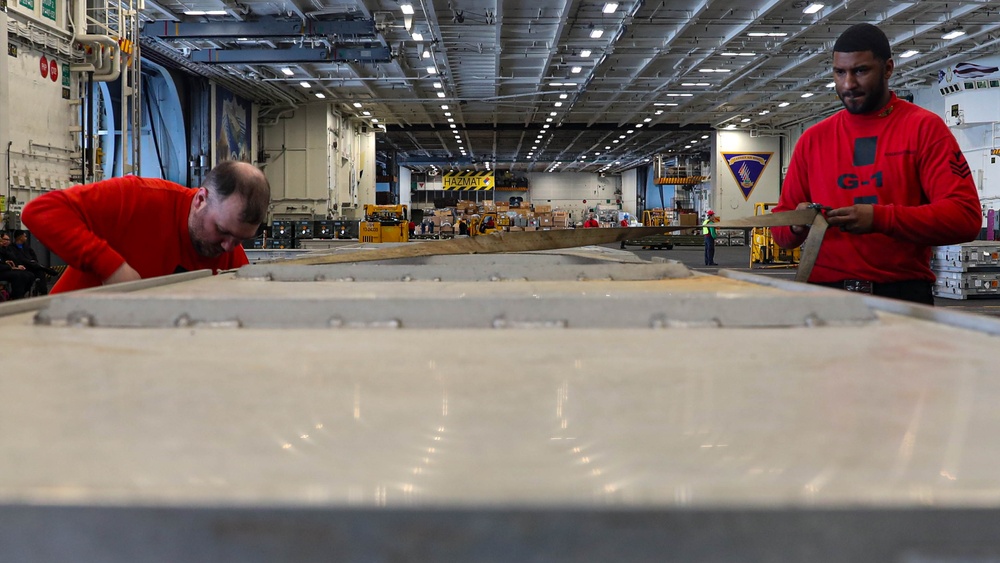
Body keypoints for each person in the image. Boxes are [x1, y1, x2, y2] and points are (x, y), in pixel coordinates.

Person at [771, 23, 980, 305]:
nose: (848, 85)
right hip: (825, 298)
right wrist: (796, 223)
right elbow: (781, 234)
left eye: (861, 71)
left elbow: (964, 218)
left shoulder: (924, 129)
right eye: (839, 72)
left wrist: (881, 218)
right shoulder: (813, 139)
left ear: (888, 68)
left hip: (901, 298)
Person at [21, 160, 271, 294]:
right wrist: (111, 267)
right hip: (67, 338)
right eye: (222, 231)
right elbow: (40, 211)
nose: (228, 246)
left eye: (240, 239)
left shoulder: (230, 256)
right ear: (201, 199)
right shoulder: (139, 199)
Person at [3, 229, 58, 295]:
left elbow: (33, 256)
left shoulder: (26, 247)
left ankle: (43, 291)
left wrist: (33, 261)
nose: (26, 238)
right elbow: (18, 259)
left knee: (39, 271)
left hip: (31, 266)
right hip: (22, 267)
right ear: (20, 237)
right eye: (25, 236)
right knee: (32, 270)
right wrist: (30, 261)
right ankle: (45, 269)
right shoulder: (11, 248)